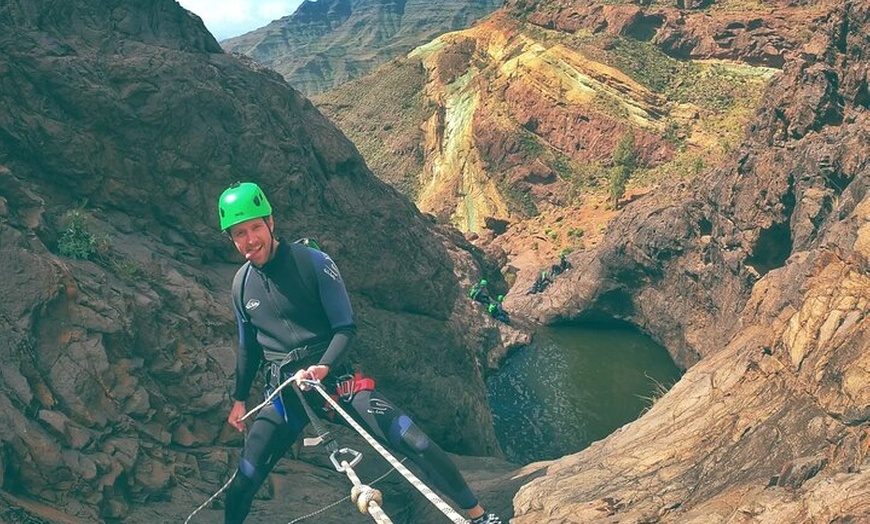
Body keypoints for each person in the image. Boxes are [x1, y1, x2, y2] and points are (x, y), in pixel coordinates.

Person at [218, 182, 502, 524]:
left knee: (416, 442)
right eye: (239, 233)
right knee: (243, 481)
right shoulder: (241, 285)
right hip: (286, 394)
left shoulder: (313, 263)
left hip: (336, 383)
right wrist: (238, 400)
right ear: (232, 239)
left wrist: (323, 367)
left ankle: (478, 515)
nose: (250, 240)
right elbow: (248, 346)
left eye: (255, 228)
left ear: (271, 223)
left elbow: (345, 328)